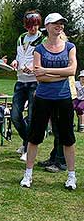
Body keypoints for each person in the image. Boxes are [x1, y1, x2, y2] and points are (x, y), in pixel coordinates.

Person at [20, 13, 77, 189]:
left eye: (61, 23)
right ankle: (28, 174)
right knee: (34, 137)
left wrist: (47, 71)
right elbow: (39, 76)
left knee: (68, 138)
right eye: (56, 23)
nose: (59, 26)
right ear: (47, 26)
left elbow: (72, 70)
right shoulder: (40, 49)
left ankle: (71, 176)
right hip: (43, 99)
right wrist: (60, 73)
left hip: (63, 98)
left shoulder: (70, 47)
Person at [10, 10, 45, 162]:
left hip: (34, 82)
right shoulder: (21, 38)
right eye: (30, 25)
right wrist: (15, 62)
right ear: (26, 26)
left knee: (31, 117)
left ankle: (27, 147)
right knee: (15, 116)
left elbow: (44, 58)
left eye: (36, 25)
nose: (33, 28)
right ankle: (28, 141)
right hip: (20, 80)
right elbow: (19, 56)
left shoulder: (43, 39)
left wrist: (33, 66)